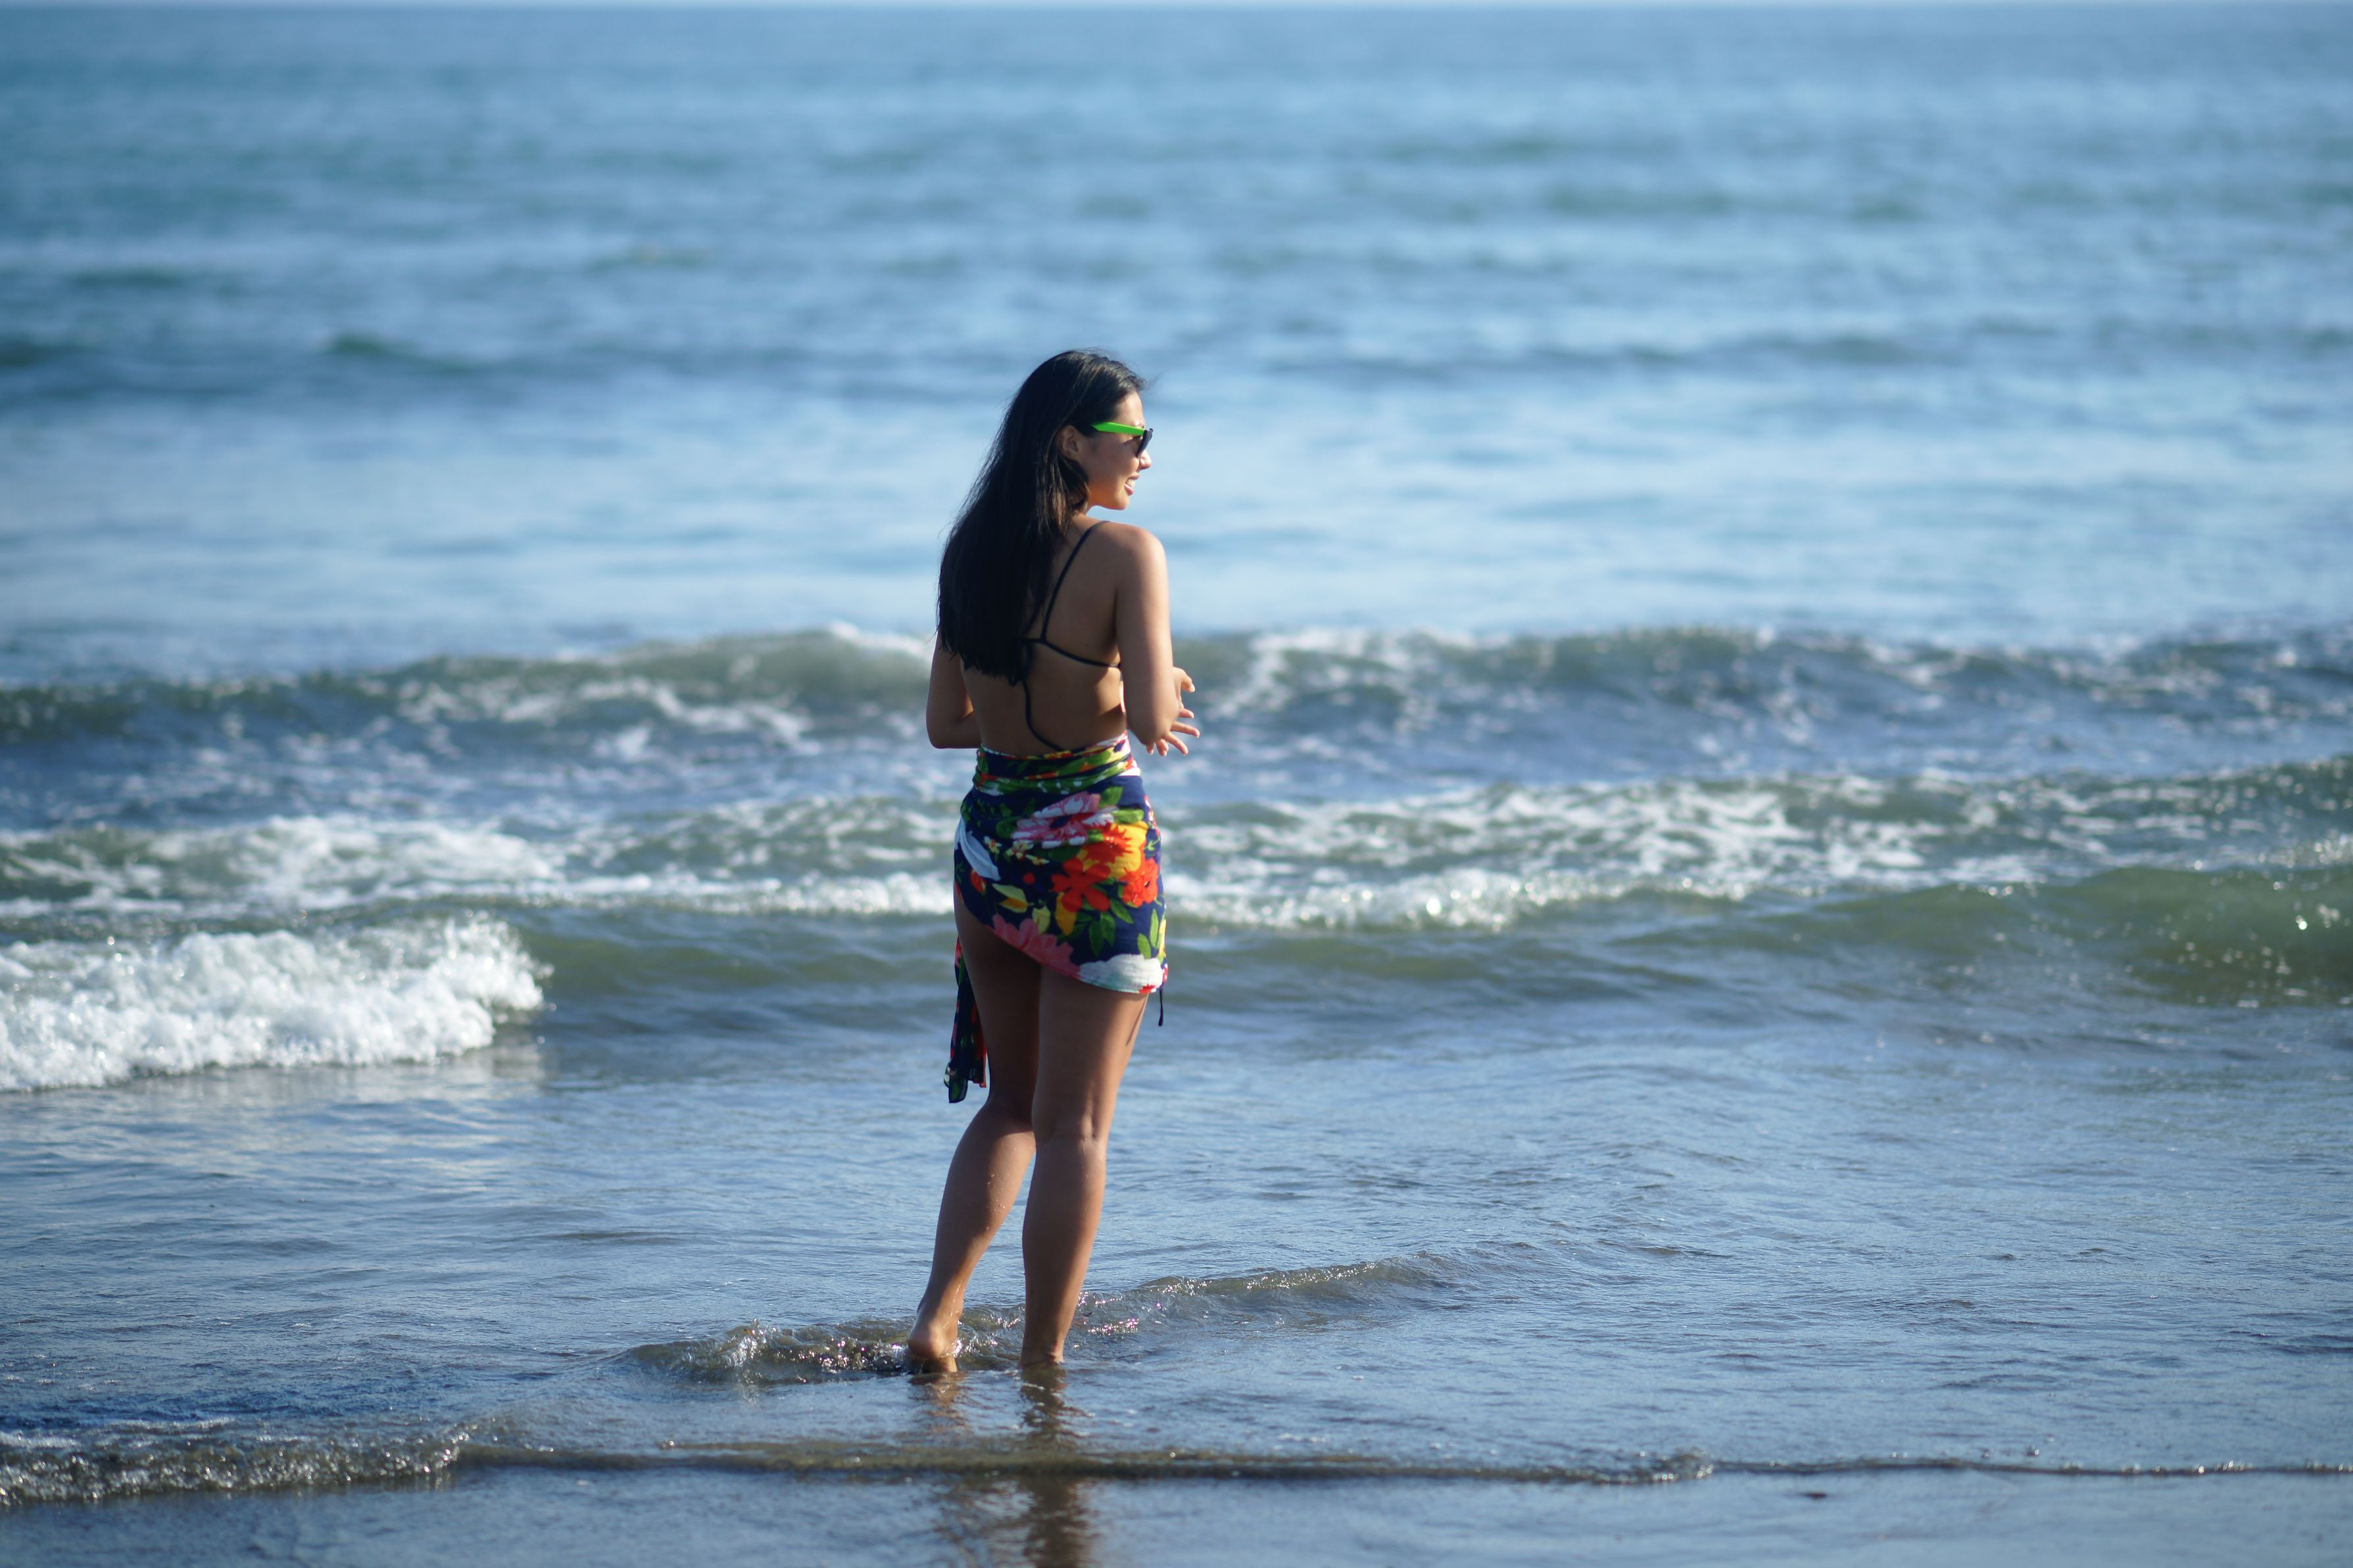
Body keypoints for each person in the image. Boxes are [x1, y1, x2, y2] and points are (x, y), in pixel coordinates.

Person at [910, 350, 1198, 1373]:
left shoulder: (970, 552)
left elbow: (948, 723)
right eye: (1133, 438)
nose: (1145, 458)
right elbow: (1154, 716)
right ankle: (1042, 1358)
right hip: (1092, 856)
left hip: (991, 850)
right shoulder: (1126, 553)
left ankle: (936, 1321)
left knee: (1012, 1105)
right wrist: (1149, 689)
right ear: (1072, 442)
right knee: (1075, 1128)